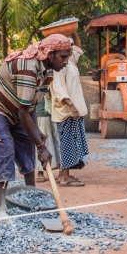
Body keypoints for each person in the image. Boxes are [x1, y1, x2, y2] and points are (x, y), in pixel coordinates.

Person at [0, 34, 72, 218]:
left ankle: (30, 197)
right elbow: (23, 111)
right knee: (5, 147)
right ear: (50, 55)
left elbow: (30, 106)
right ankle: (0, 208)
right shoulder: (28, 67)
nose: (66, 62)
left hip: (17, 109)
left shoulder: (48, 72)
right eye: (63, 57)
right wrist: (41, 146)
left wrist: (36, 135)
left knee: (28, 143)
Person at [50, 32, 89, 187]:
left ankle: (63, 174)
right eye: (68, 47)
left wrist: (74, 31)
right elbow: (58, 88)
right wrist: (71, 105)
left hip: (72, 111)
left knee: (70, 143)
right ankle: (64, 178)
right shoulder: (58, 66)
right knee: (67, 143)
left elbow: (79, 48)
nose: (72, 49)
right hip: (66, 111)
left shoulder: (70, 61)